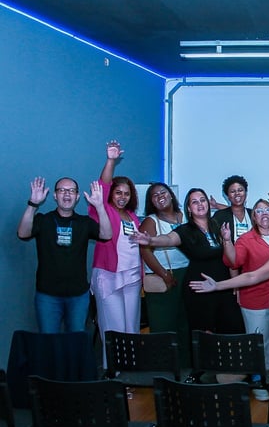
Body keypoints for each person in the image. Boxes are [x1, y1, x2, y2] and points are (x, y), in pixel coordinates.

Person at [133, 188, 244, 334]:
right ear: (189, 208)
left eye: (202, 200)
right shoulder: (185, 230)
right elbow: (168, 239)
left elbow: (231, 260)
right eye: (194, 202)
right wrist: (151, 240)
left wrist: (236, 284)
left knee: (231, 330)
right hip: (200, 288)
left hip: (224, 287)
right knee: (203, 335)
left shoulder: (218, 225)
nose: (200, 204)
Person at [17, 177, 111, 333]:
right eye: (62, 190)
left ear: (77, 196)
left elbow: (107, 235)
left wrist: (100, 207)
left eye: (71, 191)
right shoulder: (44, 220)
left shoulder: (84, 222)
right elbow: (23, 233)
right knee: (48, 341)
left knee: (75, 341)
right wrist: (33, 204)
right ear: (55, 195)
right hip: (47, 296)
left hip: (78, 296)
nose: (67, 194)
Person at [222, 198, 269, 389]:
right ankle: (258, 383)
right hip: (255, 300)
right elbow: (234, 261)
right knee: (258, 343)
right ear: (254, 217)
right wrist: (227, 241)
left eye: (268, 209)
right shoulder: (246, 239)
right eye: (259, 211)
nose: (264, 213)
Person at [89, 141, 142, 365]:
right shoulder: (102, 210)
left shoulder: (133, 216)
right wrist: (111, 160)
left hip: (132, 276)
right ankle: (114, 374)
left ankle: (131, 372)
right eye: (118, 192)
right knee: (113, 328)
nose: (122, 196)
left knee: (131, 329)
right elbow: (103, 185)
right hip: (109, 276)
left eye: (127, 194)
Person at [138, 183, 191, 363]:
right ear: (150, 201)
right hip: (163, 277)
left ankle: (185, 364)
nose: (160, 196)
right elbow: (145, 251)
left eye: (163, 192)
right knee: (163, 323)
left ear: (171, 195)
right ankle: (163, 365)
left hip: (186, 274)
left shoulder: (184, 216)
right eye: (154, 195)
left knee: (184, 321)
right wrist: (164, 275)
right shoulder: (150, 221)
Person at [212, 175, 251, 243]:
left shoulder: (253, 214)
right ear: (227, 196)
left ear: (246, 193)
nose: (237, 193)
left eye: (240, 190)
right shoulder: (220, 216)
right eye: (232, 191)